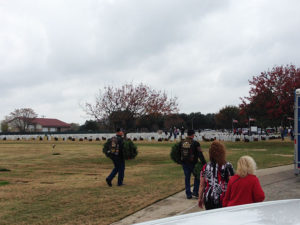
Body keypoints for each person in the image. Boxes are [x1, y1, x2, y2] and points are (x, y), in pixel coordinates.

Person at [198, 141, 234, 210]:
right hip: (223, 198)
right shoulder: (228, 166)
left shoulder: (205, 167)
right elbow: (232, 183)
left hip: (208, 198)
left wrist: (200, 198)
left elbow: (202, 185)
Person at [179, 129, 206, 199]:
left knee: (187, 178)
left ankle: (188, 194)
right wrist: (204, 162)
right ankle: (195, 191)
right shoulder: (196, 143)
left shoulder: (182, 142)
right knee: (197, 177)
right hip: (193, 163)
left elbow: (179, 153)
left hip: (184, 163)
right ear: (193, 135)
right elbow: (200, 154)